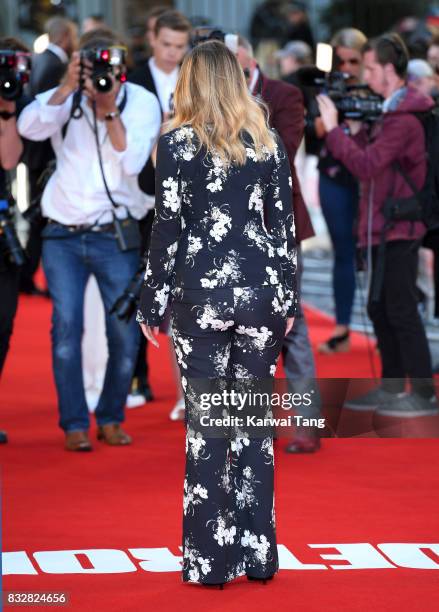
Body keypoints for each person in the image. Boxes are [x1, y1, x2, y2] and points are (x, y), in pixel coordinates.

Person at [137, 40, 297, 586]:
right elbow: (283, 228)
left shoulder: (177, 145)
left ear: (190, 82)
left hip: (200, 299)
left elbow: (166, 230)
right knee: (250, 424)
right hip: (261, 298)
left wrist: (151, 303)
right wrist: (290, 298)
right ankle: (258, 555)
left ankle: (210, 562)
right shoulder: (267, 142)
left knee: (209, 428)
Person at [17, 28, 161, 451]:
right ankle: (75, 423)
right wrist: (66, 87)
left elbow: (132, 159)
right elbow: (29, 126)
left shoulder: (140, 101)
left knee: (123, 332)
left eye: (107, 64)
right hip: (62, 232)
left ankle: (111, 416)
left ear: (122, 66)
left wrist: (109, 107)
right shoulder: (69, 97)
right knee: (66, 329)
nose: (101, 72)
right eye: (92, 63)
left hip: (113, 233)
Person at [317, 32, 439, 417]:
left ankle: (422, 394)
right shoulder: (389, 112)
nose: (364, 75)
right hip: (383, 225)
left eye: (369, 67)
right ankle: (391, 386)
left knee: (399, 308)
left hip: (399, 227)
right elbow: (372, 162)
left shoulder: (403, 119)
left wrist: (335, 130)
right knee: (379, 307)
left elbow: (367, 166)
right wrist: (354, 133)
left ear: (388, 69)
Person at [236, 36, 320, 453]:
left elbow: (283, 151)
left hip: (278, 223)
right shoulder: (216, 99)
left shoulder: (284, 95)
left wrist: (237, 120)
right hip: (230, 226)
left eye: (231, 61)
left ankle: (307, 422)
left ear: (248, 57)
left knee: (292, 320)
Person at [128, 9, 191, 413]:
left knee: (183, 297)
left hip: (186, 200)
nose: (172, 53)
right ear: (153, 39)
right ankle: (137, 378)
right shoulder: (132, 80)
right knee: (139, 288)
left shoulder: (196, 77)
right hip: (139, 197)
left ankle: (191, 389)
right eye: (166, 44)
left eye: (180, 46)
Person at [316, 28, 367, 354]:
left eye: (353, 60)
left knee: (377, 254)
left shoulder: (373, 89)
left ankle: (388, 328)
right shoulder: (326, 88)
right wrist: (334, 104)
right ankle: (342, 327)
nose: (346, 67)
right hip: (334, 176)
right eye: (341, 60)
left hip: (369, 179)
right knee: (343, 252)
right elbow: (317, 129)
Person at [20, 17, 79, 297]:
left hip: (35, 153)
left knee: (37, 218)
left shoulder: (39, 59)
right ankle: (27, 275)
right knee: (40, 219)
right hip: (45, 156)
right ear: (66, 36)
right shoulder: (56, 66)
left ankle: (27, 275)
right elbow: (46, 110)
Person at [0, 37, 32, 444]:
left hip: (2, 229)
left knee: (4, 325)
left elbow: (8, 160)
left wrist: (6, 109)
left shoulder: (17, 106)